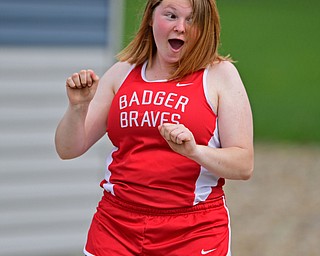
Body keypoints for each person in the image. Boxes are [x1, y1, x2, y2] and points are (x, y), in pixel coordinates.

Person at [55, 0, 254, 255]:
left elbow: (243, 163)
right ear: (151, 18)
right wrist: (78, 107)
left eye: (192, 19)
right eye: (170, 16)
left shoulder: (219, 75)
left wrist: (195, 152)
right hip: (116, 226)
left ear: (205, 26)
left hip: (192, 230)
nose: (180, 27)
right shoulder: (122, 73)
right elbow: (67, 149)